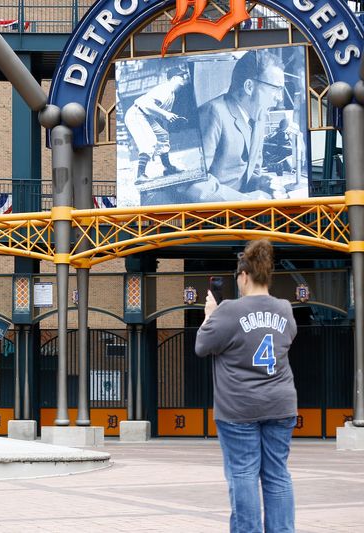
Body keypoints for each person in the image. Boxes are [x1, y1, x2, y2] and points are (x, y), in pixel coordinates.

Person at [195, 239, 298, 533]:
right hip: (280, 403)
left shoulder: (229, 310)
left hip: (238, 407)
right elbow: (288, 338)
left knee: (243, 474)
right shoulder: (285, 309)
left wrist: (209, 316)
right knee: (277, 475)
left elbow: (203, 346)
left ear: (243, 276)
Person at [186, 50, 286, 202]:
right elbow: (193, 183)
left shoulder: (258, 118)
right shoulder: (213, 113)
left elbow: (247, 174)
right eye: (275, 88)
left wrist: (260, 182)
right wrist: (246, 201)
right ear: (249, 87)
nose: (279, 99)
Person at [124, 65, 189, 185]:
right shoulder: (165, 89)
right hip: (137, 113)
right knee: (150, 142)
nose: (183, 78)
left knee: (163, 136)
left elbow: (161, 116)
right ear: (174, 78)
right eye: (181, 76)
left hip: (146, 115)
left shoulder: (171, 94)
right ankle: (140, 175)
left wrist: (166, 123)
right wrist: (166, 114)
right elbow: (147, 104)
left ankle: (168, 167)